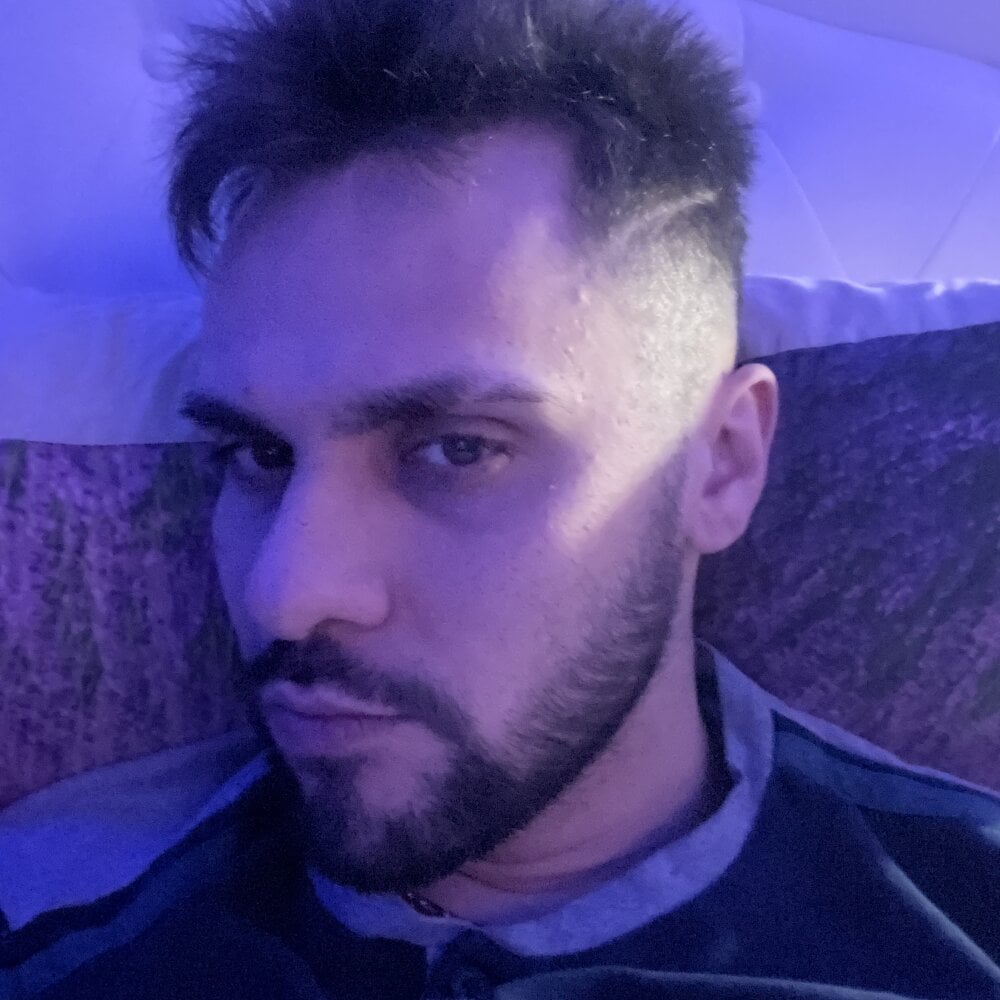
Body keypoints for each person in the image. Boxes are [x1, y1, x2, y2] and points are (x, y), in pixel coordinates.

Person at [2, 0, 999, 996]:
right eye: (258, 454)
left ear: (722, 464)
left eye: (457, 449)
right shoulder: (52, 923)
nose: (285, 593)